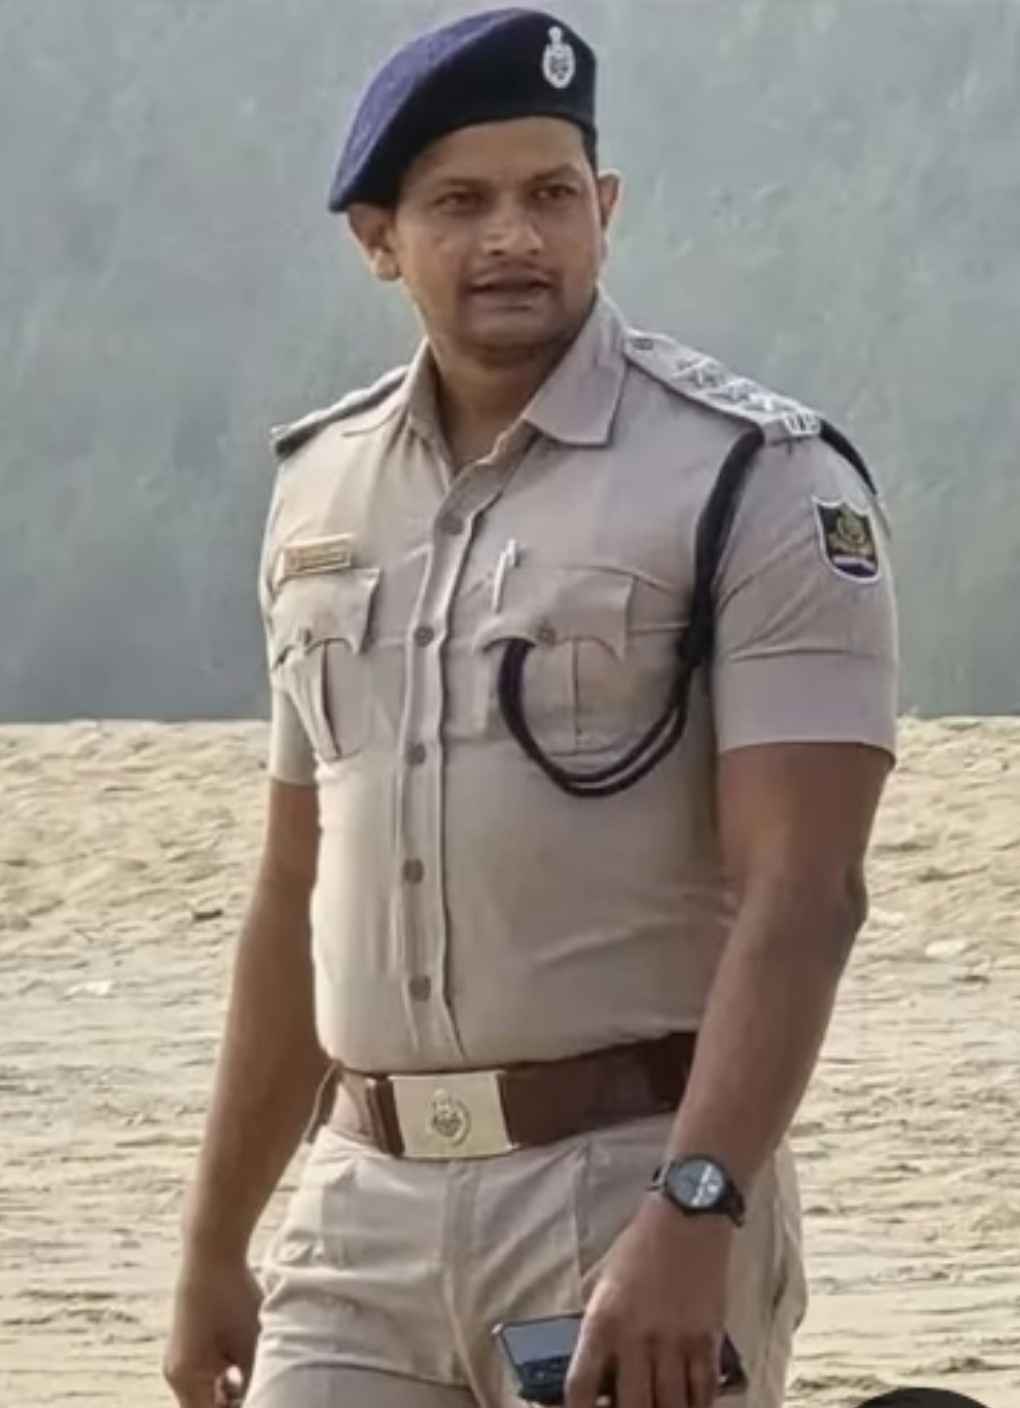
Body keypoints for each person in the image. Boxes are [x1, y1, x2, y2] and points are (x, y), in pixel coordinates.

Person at [163, 9, 898, 1408]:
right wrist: (214, 1242)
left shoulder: (754, 481)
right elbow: (294, 890)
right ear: (379, 238)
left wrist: (697, 1206)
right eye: (462, 203)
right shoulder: (319, 493)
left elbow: (806, 894)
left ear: (604, 210)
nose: (515, 236)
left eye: (552, 195)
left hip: (627, 1190)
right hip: (358, 1213)